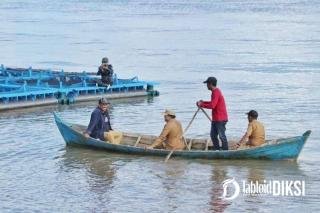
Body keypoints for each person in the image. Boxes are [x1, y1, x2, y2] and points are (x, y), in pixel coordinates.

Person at [197, 77, 229, 150]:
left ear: (210, 84)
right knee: (213, 135)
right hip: (216, 119)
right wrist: (203, 102)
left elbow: (212, 105)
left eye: (207, 84)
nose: (207, 86)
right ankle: (217, 149)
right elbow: (213, 103)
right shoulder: (214, 92)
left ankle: (225, 151)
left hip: (220, 119)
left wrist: (202, 104)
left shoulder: (216, 92)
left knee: (221, 136)